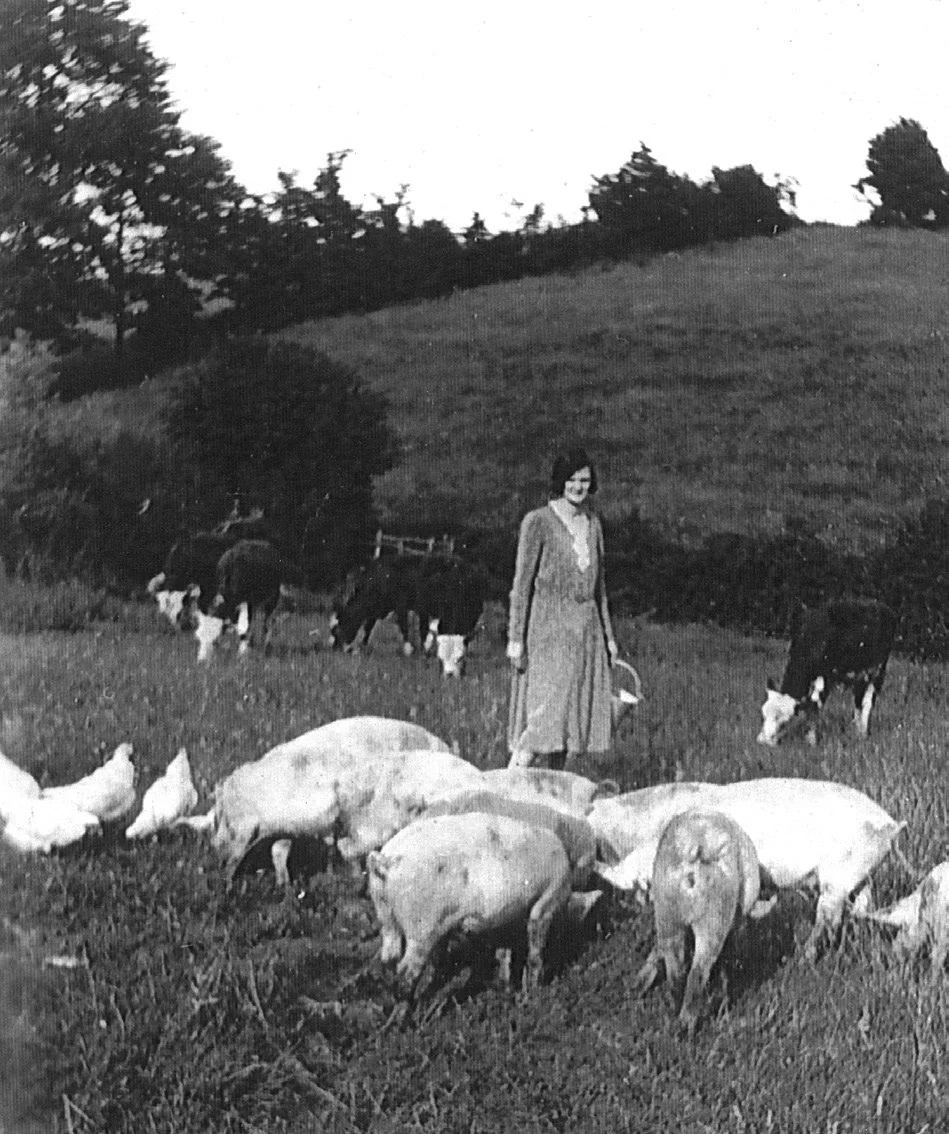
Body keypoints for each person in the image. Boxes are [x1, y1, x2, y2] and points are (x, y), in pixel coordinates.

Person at [506, 447, 619, 770]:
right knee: (543, 719)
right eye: (571, 480)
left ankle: (549, 795)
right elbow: (521, 585)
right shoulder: (537, 522)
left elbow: (601, 590)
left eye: (584, 480)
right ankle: (507, 785)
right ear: (560, 481)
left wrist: (609, 638)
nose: (578, 487)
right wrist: (515, 638)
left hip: (586, 633)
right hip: (548, 631)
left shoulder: (593, 524)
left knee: (569, 727)